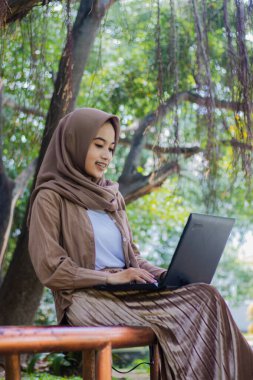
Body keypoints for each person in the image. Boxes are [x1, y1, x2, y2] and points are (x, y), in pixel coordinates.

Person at [28, 108, 253, 380]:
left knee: (206, 294)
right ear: (73, 143)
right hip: (84, 298)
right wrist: (110, 279)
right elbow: (50, 268)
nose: (106, 156)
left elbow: (133, 258)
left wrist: (165, 276)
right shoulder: (50, 196)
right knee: (195, 306)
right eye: (98, 145)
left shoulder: (111, 196)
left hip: (127, 291)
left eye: (111, 148)